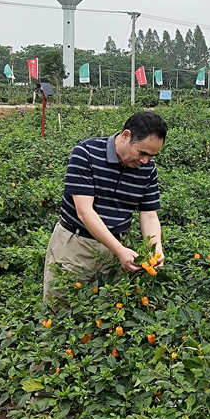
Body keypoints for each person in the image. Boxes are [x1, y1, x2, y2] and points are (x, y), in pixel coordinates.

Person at [43, 110, 167, 303]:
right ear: (126, 136)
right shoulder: (86, 153)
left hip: (116, 252)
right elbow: (85, 212)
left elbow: (149, 215)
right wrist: (119, 249)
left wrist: (155, 248)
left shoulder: (148, 169)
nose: (145, 161)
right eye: (142, 153)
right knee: (62, 307)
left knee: (107, 311)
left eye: (151, 156)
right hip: (76, 246)